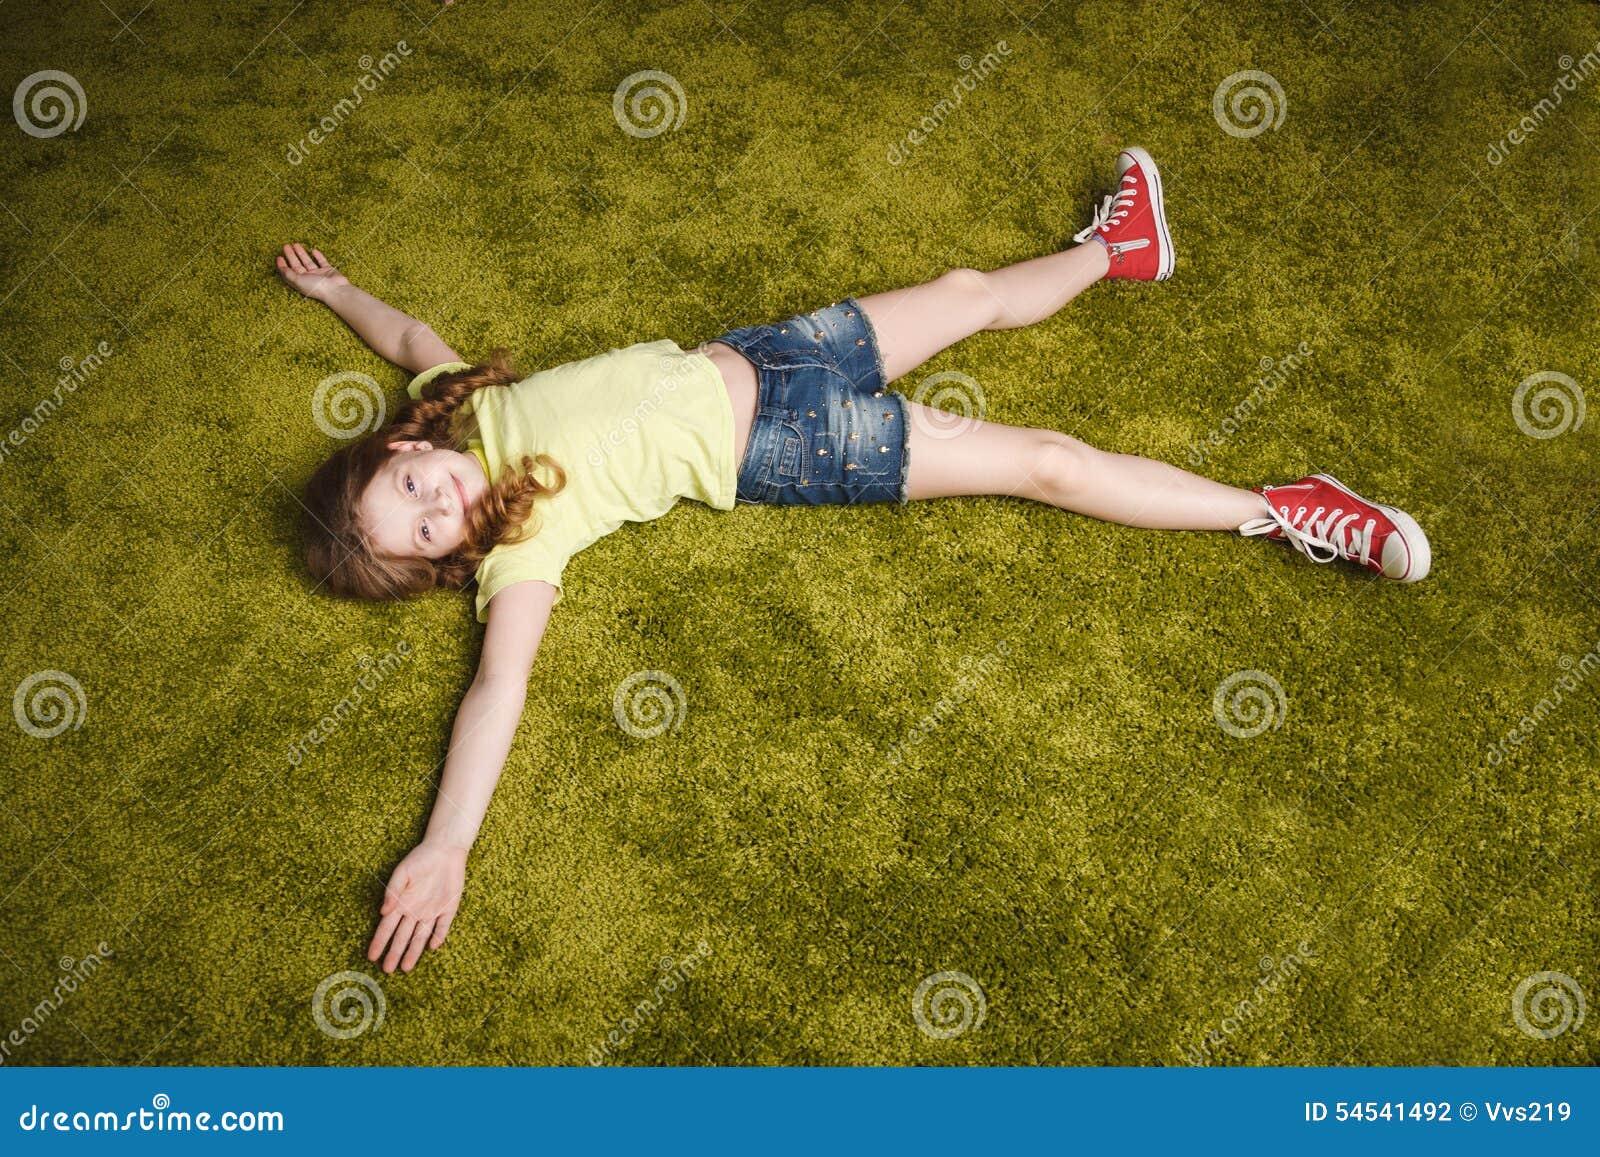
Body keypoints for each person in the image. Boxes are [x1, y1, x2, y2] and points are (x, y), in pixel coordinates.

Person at [276, 146, 1430, 974]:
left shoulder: (456, 405)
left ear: (406, 442)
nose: (440, 505)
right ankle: (1279, 510)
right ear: (442, 563)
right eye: (424, 532)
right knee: (1045, 460)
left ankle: (1119, 251)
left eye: (413, 487)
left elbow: (412, 337)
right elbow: (498, 689)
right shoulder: (516, 550)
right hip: (794, 442)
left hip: (774, 351)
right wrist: (447, 842)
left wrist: (337, 290)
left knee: (969, 296)